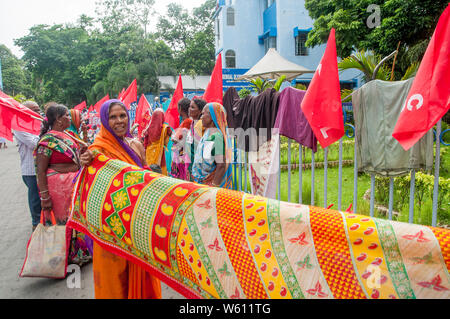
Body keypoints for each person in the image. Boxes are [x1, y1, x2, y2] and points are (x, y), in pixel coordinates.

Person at [80, 99, 161, 299]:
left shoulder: (135, 144)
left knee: (142, 273)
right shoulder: (97, 151)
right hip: (111, 228)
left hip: (136, 224)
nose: (119, 121)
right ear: (105, 120)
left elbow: (143, 178)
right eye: (113, 117)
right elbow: (88, 190)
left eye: (122, 116)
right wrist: (84, 164)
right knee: (114, 281)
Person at [35, 104, 91, 265]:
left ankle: (76, 254)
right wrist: (44, 197)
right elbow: (40, 170)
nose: (69, 118)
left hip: (70, 186)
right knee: (61, 223)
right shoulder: (47, 141)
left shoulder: (67, 135)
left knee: (73, 220)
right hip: (56, 188)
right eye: (66, 115)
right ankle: (61, 260)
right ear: (58, 120)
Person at [12, 101, 42, 231]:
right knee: (35, 199)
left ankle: (43, 221)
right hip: (30, 170)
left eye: (38, 109)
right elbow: (35, 144)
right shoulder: (19, 126)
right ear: (25, 111)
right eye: (34, 110)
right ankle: (36, 223)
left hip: (42, 168)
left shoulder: (39, 124)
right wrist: (46, 137)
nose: (38, 113)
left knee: (44, 197)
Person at [191, 102, 233, 189]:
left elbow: (221, 165)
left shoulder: (216, 137)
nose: (201, 117)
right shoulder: (208, 133)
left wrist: (214, 187)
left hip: (209, 186)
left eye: (203, 114)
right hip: (202, 183)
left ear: (212, 116)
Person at [142, 108, 172, 176]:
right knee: (160, 170)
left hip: (149, 152)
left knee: (150, 170)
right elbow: (170, 136)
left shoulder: (148, 128)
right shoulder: (165, 128)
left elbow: (145, 143)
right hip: (160, 152)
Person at [187, 98, 207, 179]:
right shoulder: (193, 123)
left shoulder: (200, 124)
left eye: (192, 107)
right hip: (191, 160)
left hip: (198, 163)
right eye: (189, 106)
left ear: (200, 111)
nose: (189, 109)